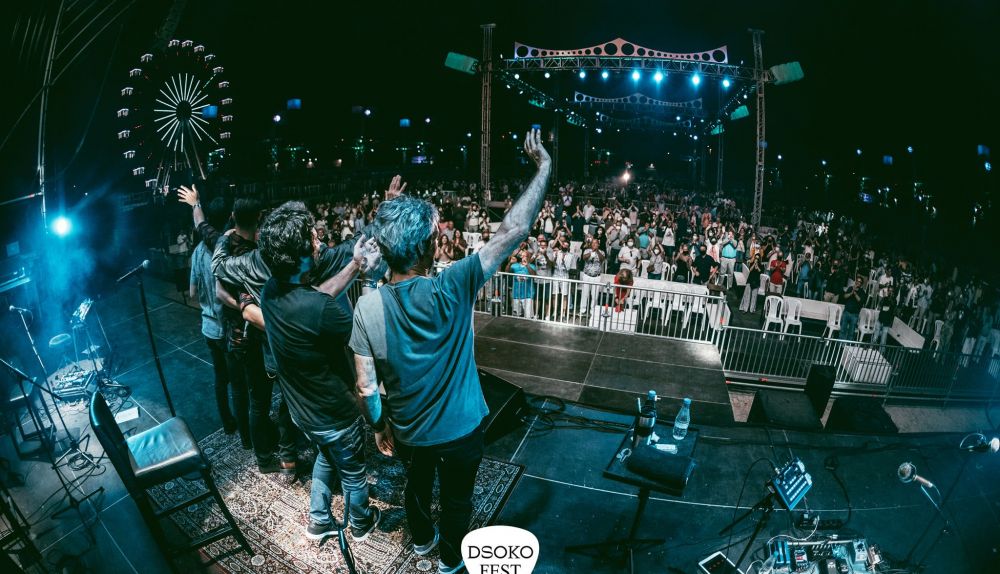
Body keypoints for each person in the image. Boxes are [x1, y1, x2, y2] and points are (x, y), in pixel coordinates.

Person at [349, 129, 551, 574]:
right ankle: (449, 561)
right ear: (427, 248)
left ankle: (422, 540)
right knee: (458, 499)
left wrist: (380, 426)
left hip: (409, 430)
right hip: (461, 428)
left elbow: (366, 388)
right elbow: (514, 228)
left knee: (417, 486)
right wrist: (544, 167)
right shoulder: (455, 284)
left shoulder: (368, 307)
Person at [257, 201, 382, 543]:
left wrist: (354, 265)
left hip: (303, 413)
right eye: (313, 239)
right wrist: (369, 279)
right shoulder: (322, 310)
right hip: (336, 413)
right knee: (354, 472)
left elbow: (318, 297)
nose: (319, 242)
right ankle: (361, 524)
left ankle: (319, 520)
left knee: (326, 457)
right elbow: (367, 337)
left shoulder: (272, 289)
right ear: (299, 256)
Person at [188, 198, 238, 434]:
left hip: (208, 327)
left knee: (220, 379)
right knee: (238, 379)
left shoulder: (197, 252)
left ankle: (227, 422)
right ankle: (245, 426)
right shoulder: (225, 249)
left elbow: (192, 292)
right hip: (226, 328)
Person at [505, 250, 536, 319]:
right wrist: (510, 263)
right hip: (516, 294)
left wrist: (527, 265)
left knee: (528, 316)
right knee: (516, 316)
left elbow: (534, 275)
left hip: (528, 294)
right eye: (522, 256)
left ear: (529, 257)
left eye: (525, 256)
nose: (523, 257)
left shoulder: (532, 266)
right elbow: (506, 272)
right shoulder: (515, 265)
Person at [579, 238, 605, 316]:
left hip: (596, 277)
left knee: (595, 295)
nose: (594, 244)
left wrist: (597, 251)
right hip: (587, 275)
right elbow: (584, 258)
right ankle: (582, 309)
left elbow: (602, 259)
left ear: (598, 244)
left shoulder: (602, 252)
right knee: (585, 294)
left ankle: (593, 310)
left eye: (595, 243)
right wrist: (591, 252)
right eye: (592, 243)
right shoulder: (587, 250)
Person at [840, 275, 863, 340]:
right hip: (846, 312)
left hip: (855, 315)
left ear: (861, 284)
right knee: (842, 331)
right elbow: (844, 296)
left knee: (851, 333)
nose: (858, 282)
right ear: (855, 282)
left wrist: (855, 293)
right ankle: (840, 344)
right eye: (857, 281)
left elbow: (860, 301)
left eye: (859, 282)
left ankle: (848, 345)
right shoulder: (850, 288)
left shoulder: (862, 292)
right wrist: (851, 293)